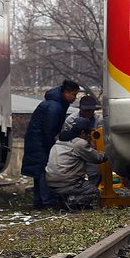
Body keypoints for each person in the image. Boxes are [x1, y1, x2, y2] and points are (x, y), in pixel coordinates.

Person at [21, 80, 80, 208]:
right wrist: (51, 148)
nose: (75, 98)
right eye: (74, 95)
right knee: (44, 170)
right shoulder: (55, 107)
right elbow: (49, 131)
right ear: (66, 92)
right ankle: (47, 202)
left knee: (38, 172)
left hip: (35, 140)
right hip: (40, 142)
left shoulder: (54, 103)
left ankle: (39, 202)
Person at [45, 118, 107, 209]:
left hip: (51, 182)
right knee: (94, 191)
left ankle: (65, 199)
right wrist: (108, 152)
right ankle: (73, 203)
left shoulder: (59, 141)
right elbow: (98, 158)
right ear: (82, 133)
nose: (89, 136)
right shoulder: (79, 144)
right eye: (88, 134)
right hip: (67, 183)